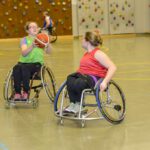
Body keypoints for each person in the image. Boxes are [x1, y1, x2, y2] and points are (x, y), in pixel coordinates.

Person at [65, 30, 117, 113]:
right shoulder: (86, 54)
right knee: (70, 79)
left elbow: (113, 67)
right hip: (83, 76)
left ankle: (79, 105)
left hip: (93, 79)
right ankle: (73, 104)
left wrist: (105, 82)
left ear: (87, 41)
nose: (81, 41)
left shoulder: (98, 53)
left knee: (79, 82)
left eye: (83, 39)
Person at [13, 21, 52, 100]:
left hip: (36, 65)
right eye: (31, 27)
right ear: (27, 30)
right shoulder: (24, 40)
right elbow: (24, 53)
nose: (34, 28)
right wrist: (32, 46)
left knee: (25, 68)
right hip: (23, 63)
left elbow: (49, 52)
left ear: (38, 29)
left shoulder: (42, 38)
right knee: (16, 68)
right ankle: (17, 92)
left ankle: (26, 92)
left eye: (36, 27)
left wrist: (48, 44)